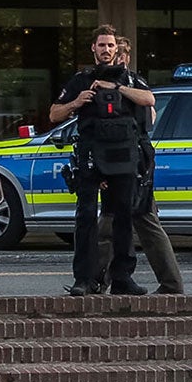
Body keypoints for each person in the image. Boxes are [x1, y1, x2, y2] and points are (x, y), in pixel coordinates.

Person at [49, 25, 154, 297]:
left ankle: (122, 278)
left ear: (116, 49)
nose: (106, 50)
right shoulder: (80, 80)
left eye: (110, 45)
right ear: (93, 49)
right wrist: (76, 103)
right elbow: (54, 115)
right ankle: (83, 279)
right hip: (91, 155)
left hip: (123, 156)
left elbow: (149, 99)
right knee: (85, 217)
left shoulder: (130, 79)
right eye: (101, 45)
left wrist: (116, 87)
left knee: (123, 217)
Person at [98, 33, 184, 295]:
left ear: (121, 57)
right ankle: (169, 283)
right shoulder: (132, 84)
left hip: (130, 160)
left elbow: (149, 108)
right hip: (133, 159)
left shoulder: (126, 84)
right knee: (139, 219)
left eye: (116, 52)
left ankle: (97, 281)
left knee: (114, 222)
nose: (114, 57)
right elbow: (152, 117)